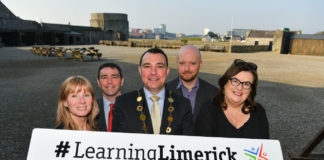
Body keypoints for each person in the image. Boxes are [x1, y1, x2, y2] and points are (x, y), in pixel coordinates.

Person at [112, 48, 193, 135]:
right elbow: (117, 144)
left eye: (160, 66)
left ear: (167, 71)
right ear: (140, 70)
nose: (153, 72)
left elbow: (188, 144)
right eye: (147, 66)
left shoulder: (183, 105)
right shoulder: (123, 103)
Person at [194, 59, 269, 139]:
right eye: (235, 81)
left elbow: (265, 148)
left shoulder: (258, 112)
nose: (240, 88)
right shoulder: (208, 111)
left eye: (246, 84)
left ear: (251, 90)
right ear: (225, 83)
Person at [166, 45, 218, 123]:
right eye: (182, 63)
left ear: (200, 65)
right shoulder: (164, 91)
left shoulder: (214, 93)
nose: (187, 69)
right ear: (177, 64)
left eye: (192, 63)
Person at [96, 63, 124, 131]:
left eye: (114, 77)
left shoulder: (135, 107)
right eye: (104, 77)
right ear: (98, 82)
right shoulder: (90, 109)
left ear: (122, 81)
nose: (109, 81)